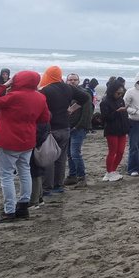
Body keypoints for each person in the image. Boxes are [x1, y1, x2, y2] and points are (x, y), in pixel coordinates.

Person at [0, 71, 51, 222]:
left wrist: (4, 85)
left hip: (8, 139)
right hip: (27, 138)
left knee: (6, 175)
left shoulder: (14, 96)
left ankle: (9, 210)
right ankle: (23, 206)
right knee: (24, 171)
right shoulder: (40, 96)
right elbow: (45, 118)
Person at [39, 66, 91, 195]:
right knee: (61, 158)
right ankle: (59, 186)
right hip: (65, 128)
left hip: (52, 128)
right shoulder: (68, 88)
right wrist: (72, 108)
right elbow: (85, 98)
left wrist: (72, 109)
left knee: (49, 158)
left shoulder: (45, 90)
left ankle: (47, 188)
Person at [64, 73, 94, 188]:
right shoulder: (66, 93)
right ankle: (72, 176)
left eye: (75, 80)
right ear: (66, 81)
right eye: (70, 80)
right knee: (69, 154)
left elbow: (87, 112)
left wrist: (79, 126)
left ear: (78, 81)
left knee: (75, 153)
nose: (72, 82)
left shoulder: (84, 93)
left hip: (79, 127)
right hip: (68, 127)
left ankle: (82, 177)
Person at [100, 80, 130, 182]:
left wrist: (127, 127)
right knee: (112, 151)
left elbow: (124, 116)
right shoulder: (105, 102)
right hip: (112, 130)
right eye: (118, 93)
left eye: (121, 93)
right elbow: (105, 118)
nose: (120, 95)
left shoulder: (121, 100)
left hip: (122, 129)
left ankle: (113, 170)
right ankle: (109, 172)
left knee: (121, 152)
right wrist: (117, 112)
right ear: (112, 91)